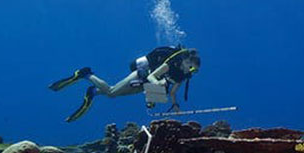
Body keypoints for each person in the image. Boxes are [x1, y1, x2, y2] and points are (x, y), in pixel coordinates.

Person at [50, 46, 200, 122]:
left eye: (194, 69)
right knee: (111, 92)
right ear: (184, 60)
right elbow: (154, 76)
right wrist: (158, 84)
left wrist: (175, 105)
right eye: (189, 65)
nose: (190, 69)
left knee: (117, 93)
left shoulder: (184, 74)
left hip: (147, 83)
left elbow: (173, 91)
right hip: (142, 74)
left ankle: (94, 92)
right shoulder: (171, 63)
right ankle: (86, 74)